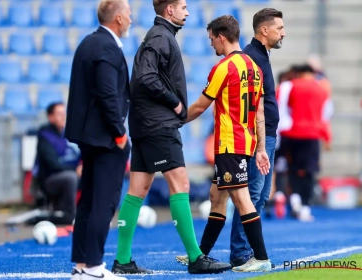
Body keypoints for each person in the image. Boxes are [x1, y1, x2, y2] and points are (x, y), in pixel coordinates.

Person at [112, 0, 232, 275]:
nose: (187, 12)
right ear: (169, 10)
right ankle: (195, 257)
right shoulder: (160, 37)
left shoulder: (160, 36)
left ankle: (122, 260)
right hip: (159, 126)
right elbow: (144, 77)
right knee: (181, 184)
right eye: (183, 7)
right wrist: (175, 104)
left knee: (137, 190)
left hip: (146, 125)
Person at [176, 8, 285, 269]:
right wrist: (259, 147)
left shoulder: (223, 68)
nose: (211, 43)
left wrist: (174, 121)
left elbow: (201, 106)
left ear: (222, 37)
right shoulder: (254, 67)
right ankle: (199, 253)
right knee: (217, 196)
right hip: (245, 141)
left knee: (242, 198)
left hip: (229, 142)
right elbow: (259, 110)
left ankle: (260, 257)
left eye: (212, 39)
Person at [64, 0, 132, 279]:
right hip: (105, 138)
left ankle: (81, 263)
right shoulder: (106, 46)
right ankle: (93, 265)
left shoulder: (88, 42)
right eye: (128, 15)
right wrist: (119, 133)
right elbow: (107, 94)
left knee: (89, 201)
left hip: (88, 137)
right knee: (103, 202)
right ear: (117, 18)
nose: (130, 19)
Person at [277, 64, 331, 221]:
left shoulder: (289, 86)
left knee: (292, 169)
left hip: (292, 133)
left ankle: (294, 199)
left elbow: (282, 108)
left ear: (299, 74)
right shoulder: (322, 88)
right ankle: (306, 206)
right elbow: (326, 113)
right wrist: (326, 136)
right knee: (309, 171)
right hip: (312, 134)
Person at [35, 102, 81, 225]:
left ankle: (94, 214)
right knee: (70, 177)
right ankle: (70, 215)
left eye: (64, 113)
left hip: (74, 173)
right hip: (50, 179)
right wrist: (75, 169)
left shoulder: (71, 133)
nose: (63, 116)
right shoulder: (45, 135)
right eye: (59, 114)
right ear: (51, 117)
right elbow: (53, 164)